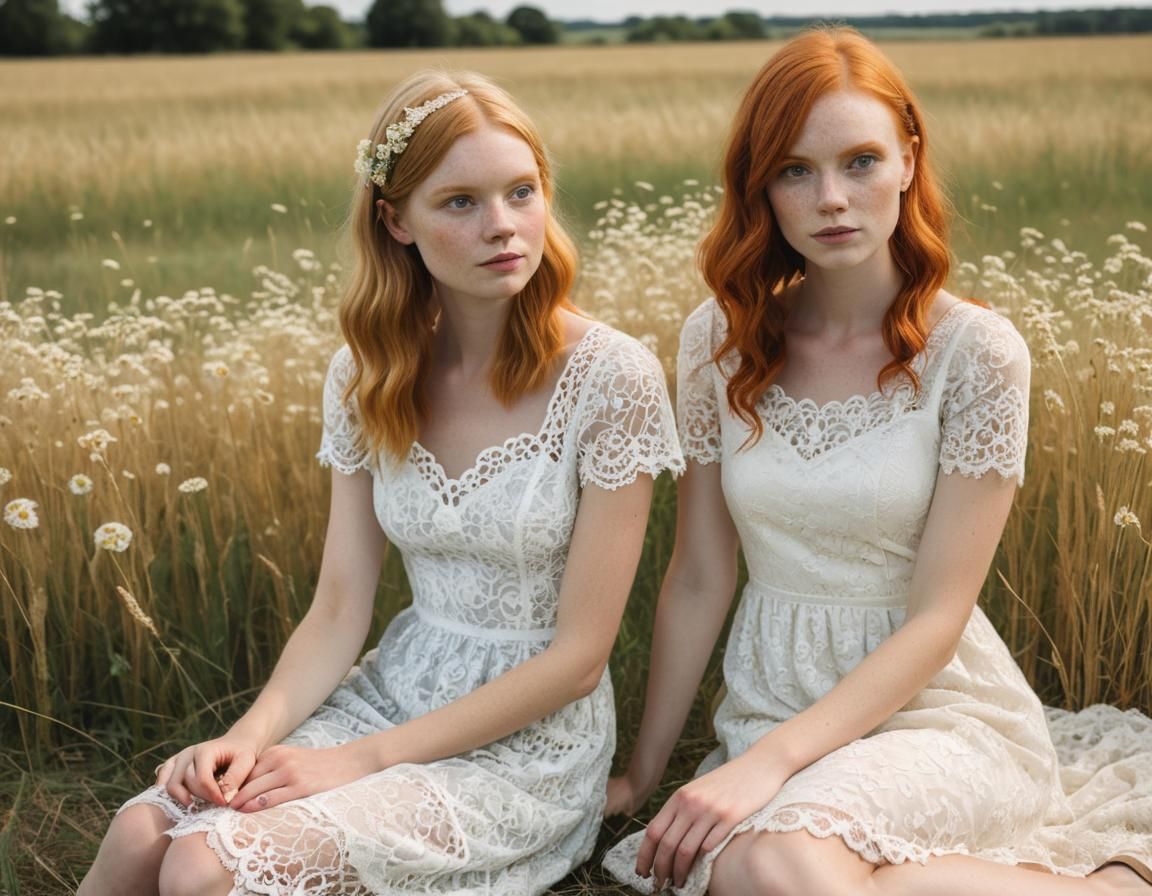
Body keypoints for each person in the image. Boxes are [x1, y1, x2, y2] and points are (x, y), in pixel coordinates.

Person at [79, 70, 683, 896]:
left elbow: (578, 660)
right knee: (142, 830)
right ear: (396, 220)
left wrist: (353, 762)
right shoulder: (366, 376)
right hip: (392, 689)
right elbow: (338, 608)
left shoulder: (612, 377)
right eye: (459, 202)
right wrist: (249, 737)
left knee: (200, 865)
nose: (502, 226)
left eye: (520, 192)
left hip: (526, 747)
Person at [602, 27, 1152, 896]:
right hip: (774, 706)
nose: (831, 198)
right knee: (760, 864)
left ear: (908, 159)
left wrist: (768, 768)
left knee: (773, 863)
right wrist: (642, 772)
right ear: (763, 190)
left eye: (860, 161)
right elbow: (701, 575)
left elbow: (938, 619)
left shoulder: (978, 354)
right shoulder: (721, 341)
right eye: (794, 170)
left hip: (938, 714)